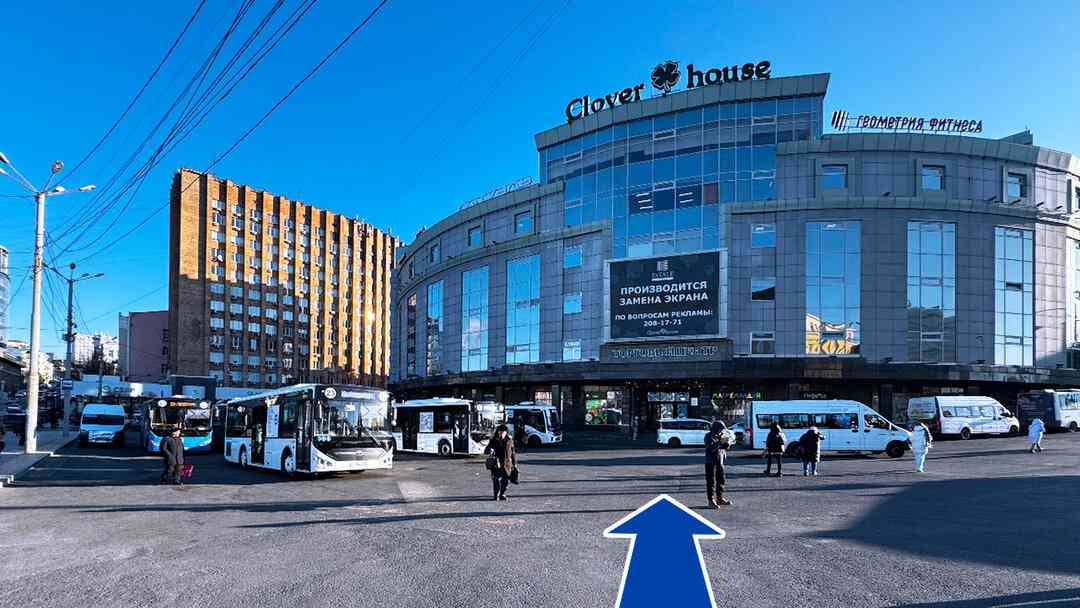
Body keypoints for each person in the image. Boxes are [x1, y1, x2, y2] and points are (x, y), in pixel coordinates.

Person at [704, 420, 735, 507]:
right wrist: (720, 442)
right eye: (720, 429)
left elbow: (724, 447)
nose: (722, 431)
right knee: (710, 482)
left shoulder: (720, 435)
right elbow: (710, 448)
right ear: (716, 428)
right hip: (710, 462)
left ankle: (719, 498)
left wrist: (728, 443)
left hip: (720, 461)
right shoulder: (708, 436)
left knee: (721, 480)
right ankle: (711, 500)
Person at [484, 424, 516, 501]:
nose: (501, 434)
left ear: (506, 432)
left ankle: (502, 494)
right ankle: (496, 494)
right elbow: (486, 450)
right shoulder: (493, 440)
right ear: (498, 432)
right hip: (496, 463)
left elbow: (513, 453)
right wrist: (490, 450)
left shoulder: (509, 441)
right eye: (500, 432)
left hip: (507, 463)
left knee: (505, 480)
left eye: (503, 432)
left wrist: (514, 464)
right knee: (496, 479)